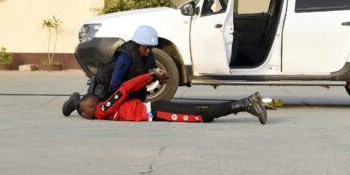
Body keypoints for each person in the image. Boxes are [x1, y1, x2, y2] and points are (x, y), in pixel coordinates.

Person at [78, 72, 267, 125]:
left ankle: (245, 104)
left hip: (158, 111)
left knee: (202, 117)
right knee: (201, 113)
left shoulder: (102, 111)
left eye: (82, 110)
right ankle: (246, 103)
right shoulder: (103, 108)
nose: (82, 114)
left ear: (91, 107)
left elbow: (126, 88)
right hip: (157, 109)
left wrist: (150, 75)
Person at [62, 25, 162, 116]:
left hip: (125, 92)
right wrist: (123, 99)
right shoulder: (126, 55)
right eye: (146, 47)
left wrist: (158, 77)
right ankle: (76, 101)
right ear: (138, 44)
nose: (148, 51)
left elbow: (147, 74)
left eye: (151, 48)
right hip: (107, 88)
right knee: (92, 112)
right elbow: (115, 83)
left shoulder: (149, 55)